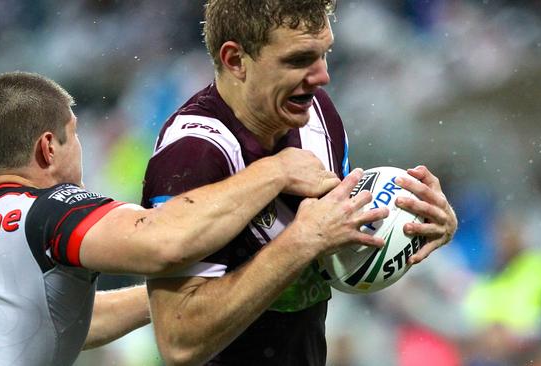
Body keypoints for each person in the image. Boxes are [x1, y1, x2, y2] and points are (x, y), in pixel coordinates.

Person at [0, 71, 374, 366]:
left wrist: (198, 294)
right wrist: (276, 170)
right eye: (74, 137)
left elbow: (63, 320)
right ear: (48, 147)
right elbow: (159, 242)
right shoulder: (44, 209)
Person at [140, 0, 458, 365]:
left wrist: (412, 223)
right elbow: (179, 341)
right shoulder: (192, 155)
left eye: (324, 54)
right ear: (235, 60)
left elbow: (330, 260)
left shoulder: (317, 113)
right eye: (298, 59)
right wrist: (302, 242)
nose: (322, 76)